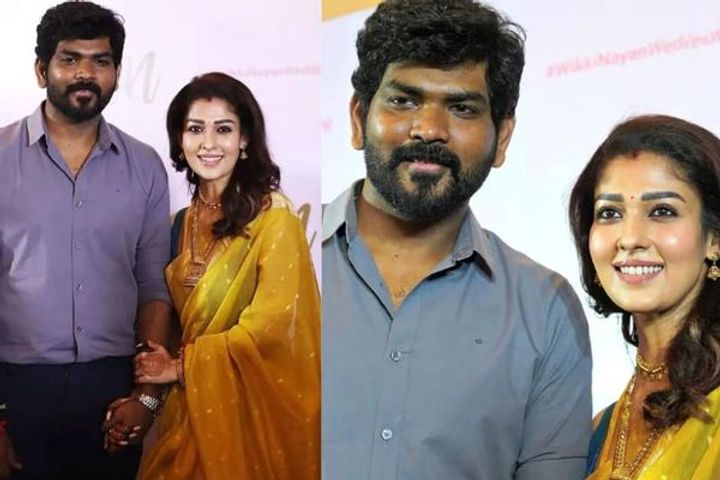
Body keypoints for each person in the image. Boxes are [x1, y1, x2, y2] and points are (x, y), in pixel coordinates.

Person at [322, 1, 592, 478]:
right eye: (404, 101)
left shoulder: (545, 310)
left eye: (462, 108)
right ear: (359, 119)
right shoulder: (279, 256)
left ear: (502, 138)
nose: (429, 129)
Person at [0, 2, 172, 479]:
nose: (85, 74)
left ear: (117, 73)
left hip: (113, 391)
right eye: (70, 59)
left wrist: (146, 398)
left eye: (100, 61)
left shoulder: (144, 166)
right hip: (15, 387)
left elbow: (153, 287)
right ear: (42, 70)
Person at [132, 72, 320, 480]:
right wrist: (147, 397)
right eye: (195, 129)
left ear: (244, 139)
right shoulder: (177, 223)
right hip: (186, 414)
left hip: (248, 421)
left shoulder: (274, 219)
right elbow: (171, 327)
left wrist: (182, 367)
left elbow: (273, 329)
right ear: (180, 139)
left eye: (223, 129)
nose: (209, 144)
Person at [570, 115, 720, 479]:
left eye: (662, 211)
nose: (630, 238)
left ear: (715, 240)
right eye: (610, 213)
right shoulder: (598, 432)